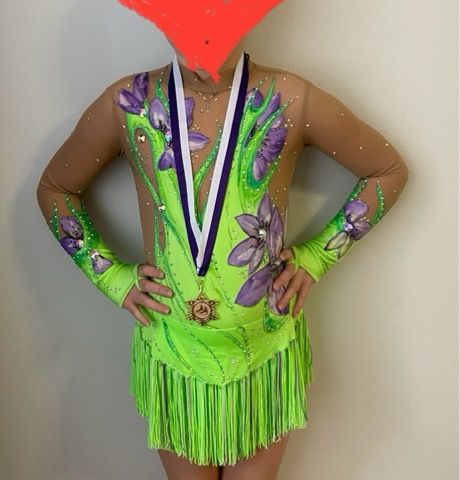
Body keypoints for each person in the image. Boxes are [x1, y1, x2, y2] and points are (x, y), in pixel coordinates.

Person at [35, 32, 409, 480]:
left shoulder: (291, 97)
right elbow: (56, 189)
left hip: (264, 351)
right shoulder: (129, 102)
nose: (205, 46)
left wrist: (318, 257)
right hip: (174, 350)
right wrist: (110, 276)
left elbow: (387, 171)